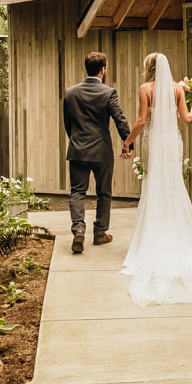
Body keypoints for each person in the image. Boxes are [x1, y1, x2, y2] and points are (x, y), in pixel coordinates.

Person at [120, 51, 192, 304]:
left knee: (153, 185)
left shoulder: (145, 89)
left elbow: (141, 121)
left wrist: (127, 142)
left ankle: (154, 233)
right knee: (173, 184)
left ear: (148, 68)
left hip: (153, 142)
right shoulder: (177, 89)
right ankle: (175, 235)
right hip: (172, 143)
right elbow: (184, 119)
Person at [61, 50, 130, 255]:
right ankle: (100, 234)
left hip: (78, 149)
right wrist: (128, 142)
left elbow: (68, 123)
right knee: (104, 193)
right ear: (103, 70)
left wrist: (76, 140)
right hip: (101, 151)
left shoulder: (71, 92)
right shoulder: (108, 93)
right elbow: (119, 119)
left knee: (77, 192)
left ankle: (78, 229)